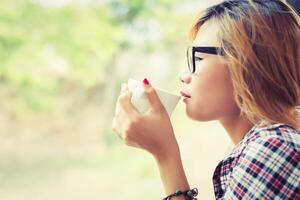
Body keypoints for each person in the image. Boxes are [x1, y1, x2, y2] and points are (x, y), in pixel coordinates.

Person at [112, 0, 300, 199]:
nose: (183, 74)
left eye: (198, 59)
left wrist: (166, 156)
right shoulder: (258, 143)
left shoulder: (276, 147)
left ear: (247, 65)